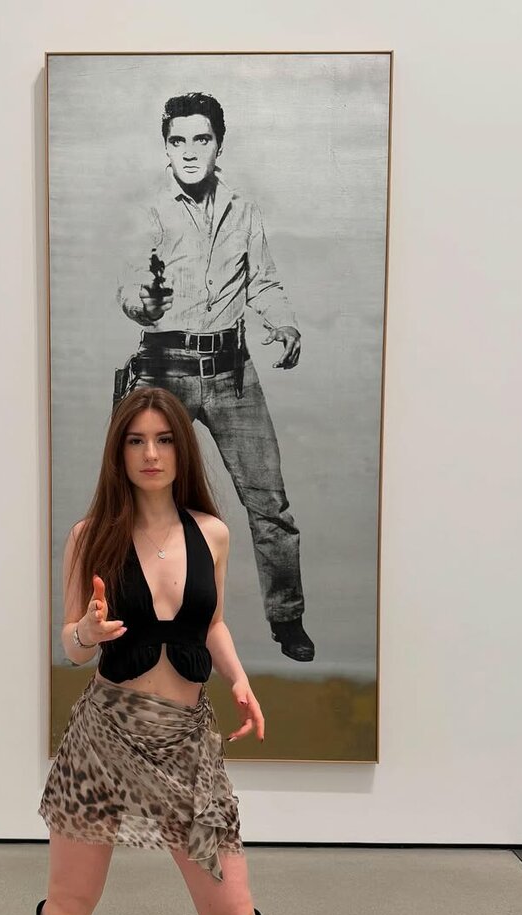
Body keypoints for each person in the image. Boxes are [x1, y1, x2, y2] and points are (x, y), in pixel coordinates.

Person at [27, 386, 279, 915]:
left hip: (186, 745)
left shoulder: (211, 533)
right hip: (104, 742)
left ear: (182, 449)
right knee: (69, 905)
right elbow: (70, 644)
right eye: (136, 440)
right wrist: (86, 632)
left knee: (232, 911)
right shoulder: (91, 536)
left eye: (163, 439)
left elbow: (212, 621)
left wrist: (239, 679)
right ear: (119, 451)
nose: (150, 453)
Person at [115, 90, 314, 663]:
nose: (188, 151)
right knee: (142, 503)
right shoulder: (149, 211)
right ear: (165, 148)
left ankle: (288, 620)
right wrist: (143, 302)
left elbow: (264, 282)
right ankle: (136, 622)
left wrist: (283, 322)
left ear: (218, 145)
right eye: (177, 140)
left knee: (271, 505)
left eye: (200, 139)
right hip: (164, 371)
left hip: (232, 373)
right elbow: (131, 284)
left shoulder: (242, 210)